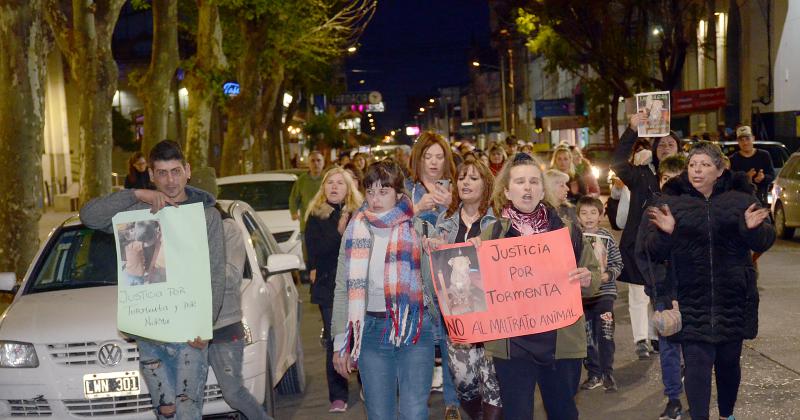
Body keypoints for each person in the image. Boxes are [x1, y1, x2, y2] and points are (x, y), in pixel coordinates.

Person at [80, 140, 225, 419]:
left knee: (187, 411)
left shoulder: (206, 216)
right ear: (152, 175)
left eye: (175, 171)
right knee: (166, 412)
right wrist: (136, 193)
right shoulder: (135, 212)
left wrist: (205, 325)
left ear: (188, 171)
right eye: (161, 173)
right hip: (151, 332)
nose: (170, 180)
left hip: (190, 333)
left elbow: (216, 272)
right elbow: (89, 216)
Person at [639, 142, 775, 420]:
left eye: (705, 165)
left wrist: (751, 230)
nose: (697, 170)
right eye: (692, 164)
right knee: (697, 367)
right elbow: (652, 251)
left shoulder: (741, 199)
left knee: (728, 365)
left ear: (720, 169)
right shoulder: (671, 202)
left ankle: (727, 415)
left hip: (732, 297)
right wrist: (665, 233)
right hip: (690, 297)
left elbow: (765, 239)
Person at [474, 153, 596, 419]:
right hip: (513, 345)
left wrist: (588, 278)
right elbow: (470, 290)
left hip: (560, 342)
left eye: (533, 181)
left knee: (563, 412)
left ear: (542, 189)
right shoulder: (491, 235)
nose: (527, 187)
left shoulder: (567, 231)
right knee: (517, 414)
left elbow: (593, 278)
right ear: (507, 190)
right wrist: (469, 260)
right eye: (519, 182)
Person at [331, 160, 435, 419]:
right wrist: (340, 342)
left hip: (414, 329)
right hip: (371, 331)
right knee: (379, 414)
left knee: (415, 412)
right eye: (370, 191)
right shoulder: (355, 230)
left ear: (399, 194)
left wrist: (435, 254)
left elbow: (435, 286)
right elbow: (343, 288)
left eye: (384, 191)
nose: (375, 199)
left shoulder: (418, 228)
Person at [430, 158, 502, 420]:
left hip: (494, 318)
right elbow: (436, 271)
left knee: (494, 388)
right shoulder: (445, 219)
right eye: (461, 178)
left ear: (486, 183)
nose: (465, 183)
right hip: (459, 319)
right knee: (465, 387)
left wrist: (488, 244)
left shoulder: (499, 218)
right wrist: (432, 246)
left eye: (473, 178)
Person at [611, 112, 680, 360]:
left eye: (671, 144)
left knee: (663, 292)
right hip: (638, 244)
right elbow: (618, 163)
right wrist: (631, 130)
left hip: (671, 247)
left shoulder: (688, 177)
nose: (666, 148)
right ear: (654, 149)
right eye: (661, 144)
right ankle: (642, 339)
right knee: (639, 293)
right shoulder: (641, 173)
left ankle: (659, 334)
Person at [404, 131, 459, 417]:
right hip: (415, 280)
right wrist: (417, 208)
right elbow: (392, 226)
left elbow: (468, 225)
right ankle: (417, 405)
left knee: (452, 344)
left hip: (450, 279)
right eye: (428, 156)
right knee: (420, 347)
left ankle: (453, 404)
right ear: (418, 158)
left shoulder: (456, 188)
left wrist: (452, 206)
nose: (434, 162)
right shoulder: (407, 190)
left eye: (439, 156)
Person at [304, 167, 363, 413]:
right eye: (330, 183)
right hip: (329, 286)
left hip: (358, 284)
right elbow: (315, 251)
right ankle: (338, 395)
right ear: (323, 188)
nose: (335, 187)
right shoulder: (316, 216)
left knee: (360, 335)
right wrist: (338, 233)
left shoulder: (359, 214)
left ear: (349, 188)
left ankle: (366, 384)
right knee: (334, 336)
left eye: (340, 183)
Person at [636, 154, 687, 420]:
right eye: (666, 179)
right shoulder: (652, 212)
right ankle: (673, 398)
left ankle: (694, 389)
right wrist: (658, 291)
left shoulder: (694, 209)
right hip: (665, 293)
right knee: (668, 345)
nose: (671, 186)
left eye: (677, 180)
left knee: (695, 347)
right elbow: (642, 254)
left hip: (693, 291)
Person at [210, 205, 272, 420]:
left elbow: (231, 275)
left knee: (233, 392)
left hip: (223, 326)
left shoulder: (228, 229)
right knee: (184, 398)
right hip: (185, 330)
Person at [575, 196, 622, 393]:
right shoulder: (574, 238)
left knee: (605, 332)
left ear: (601, 214)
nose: (589, 217)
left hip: (605, 293)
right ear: (578, 217)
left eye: (593, 212)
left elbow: (617, 264)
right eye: (584, 213)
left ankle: (607, 372)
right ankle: (593, 373)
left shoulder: (607, 237)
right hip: (583, 296)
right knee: (586, 336)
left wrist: (606, 275)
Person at [728, 125, 775, 206]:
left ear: (753, 138)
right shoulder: (732, 159)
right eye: (741, 140)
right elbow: (729, 183)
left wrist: (763, 178)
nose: (745, 143)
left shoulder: (764, 155)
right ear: (737, 141)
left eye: (747, 139)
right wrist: (745, 179)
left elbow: (772, 176)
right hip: (740, 203)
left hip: (760, 201)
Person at [289, 150, 325, 233]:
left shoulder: (328, 179)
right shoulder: (302, 180)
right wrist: (294, 212)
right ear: (308, 163)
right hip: (307, 226)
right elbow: (294, 198)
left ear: (323, 162)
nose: (316, 163)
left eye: (318, 160)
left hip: (325, 226)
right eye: (312, 161)